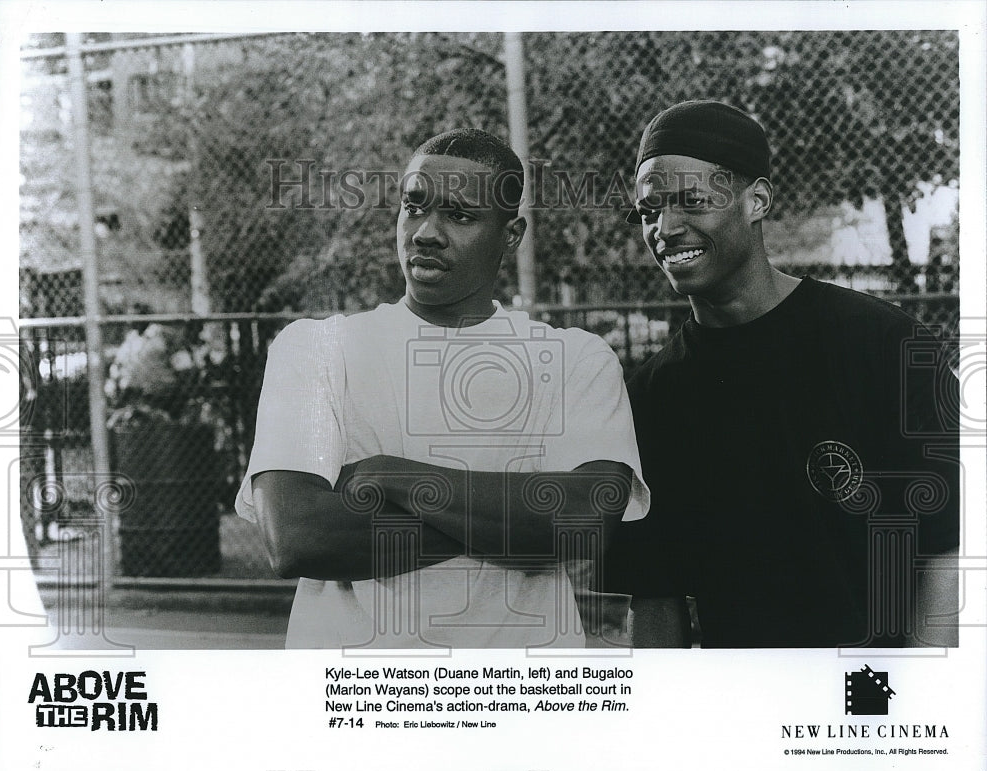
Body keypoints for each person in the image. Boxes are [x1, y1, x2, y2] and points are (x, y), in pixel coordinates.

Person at [236, 128, 649, 649]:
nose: (426, 233)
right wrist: (516, 525)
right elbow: (298, 539)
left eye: (460, 216)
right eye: (414, 207)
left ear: (511, 234)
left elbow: (584, 526)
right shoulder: (315, 347)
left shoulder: (575, 358)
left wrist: (390, 476)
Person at [606, 100, 959, 648]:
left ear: (758, 200)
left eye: (692, 202)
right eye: (649, 210)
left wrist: (917, 698)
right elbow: (656, 595)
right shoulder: (654, 394)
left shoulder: (885, 345)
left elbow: (946, 548)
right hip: (744, 705)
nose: (666, 228)